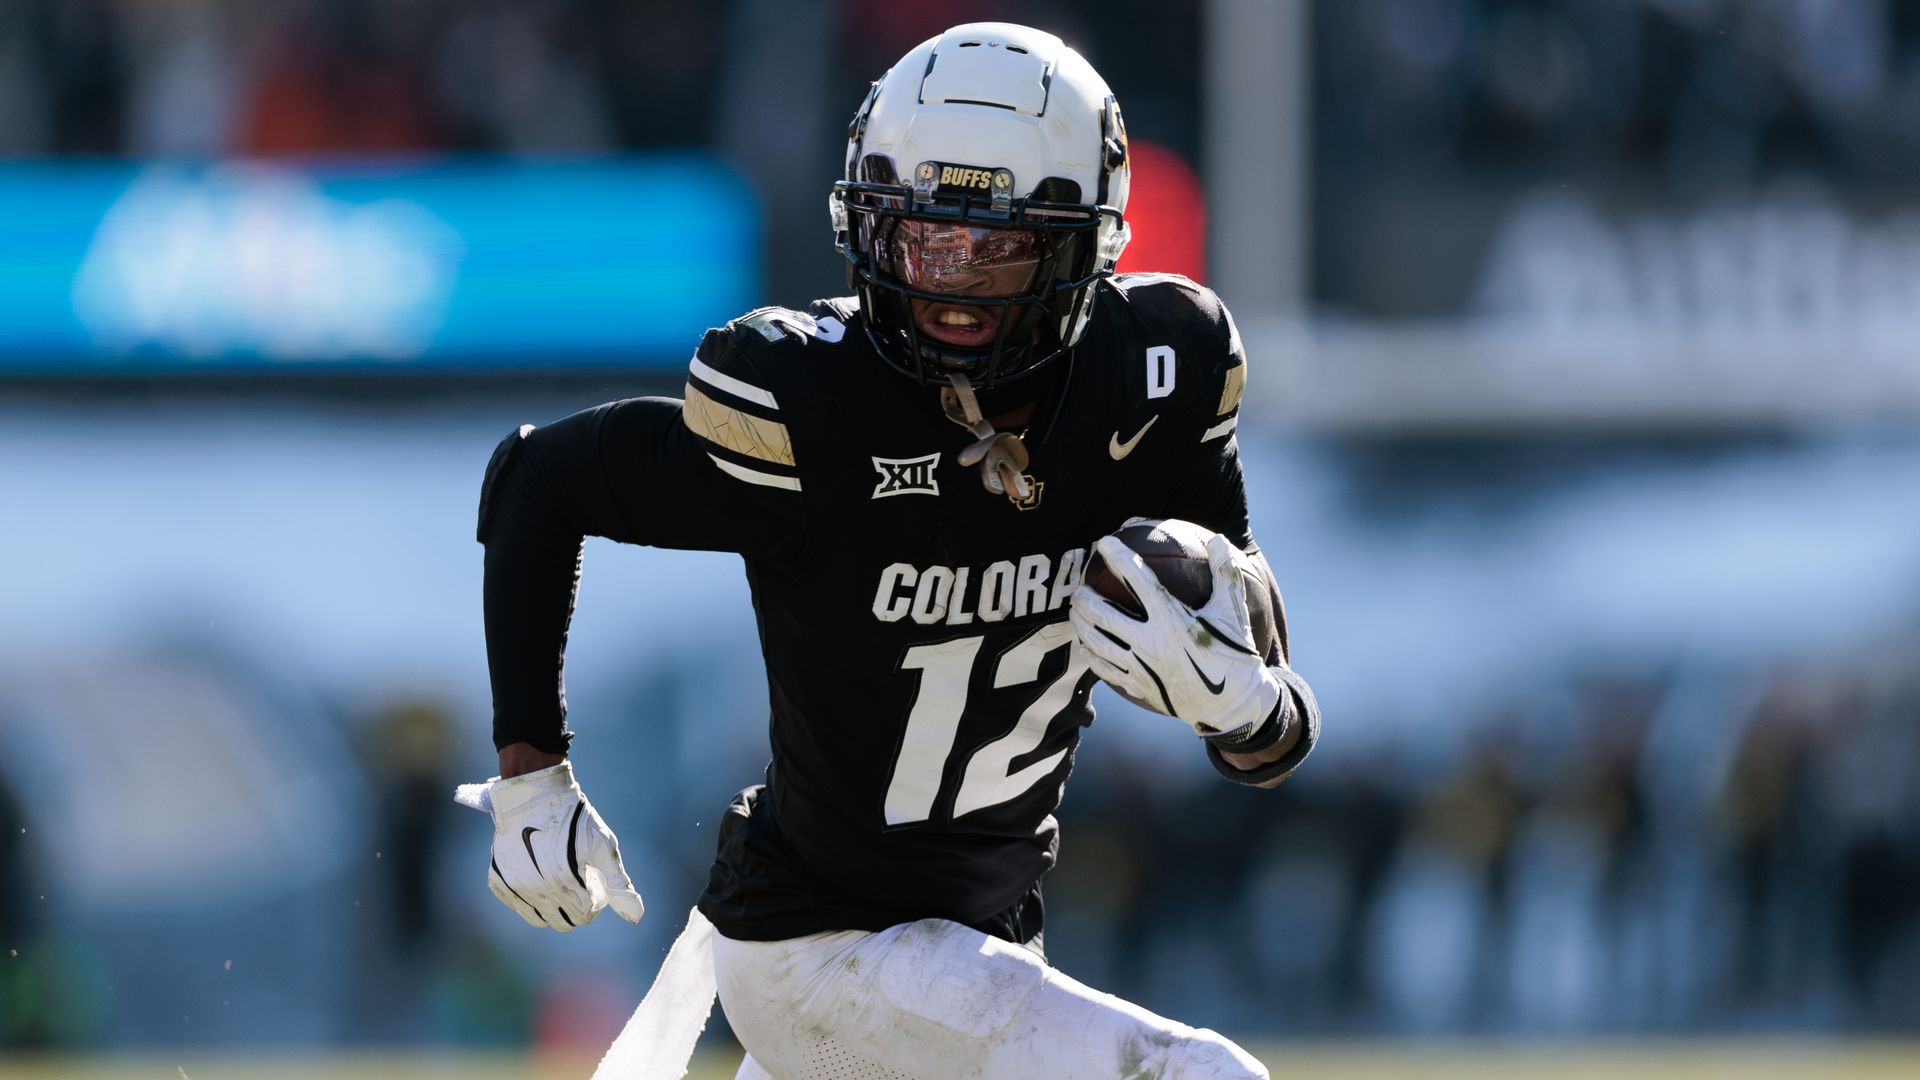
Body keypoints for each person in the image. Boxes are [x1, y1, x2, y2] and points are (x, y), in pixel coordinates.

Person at [461, 22, 1320, 1080]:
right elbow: (538, 478)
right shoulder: (810, 401)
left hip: (980, 940)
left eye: (995, 248)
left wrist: (1243, 705)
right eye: (921, 238)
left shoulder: (1155, 374)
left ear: (1081, 246)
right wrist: (530, 775)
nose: (948, 284)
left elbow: (1272, 738)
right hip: (812, 944)